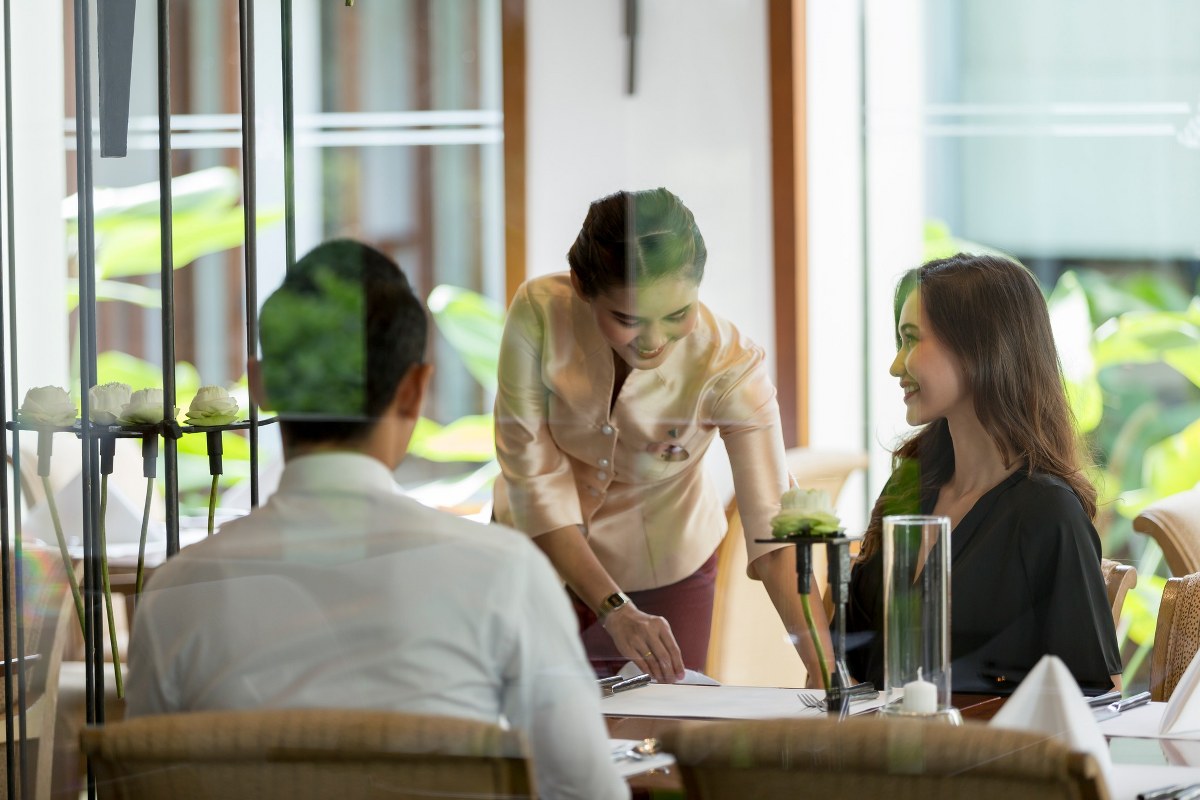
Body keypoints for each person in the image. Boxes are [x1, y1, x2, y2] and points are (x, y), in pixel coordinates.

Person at [125, 240, 628, 800]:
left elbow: (148, 785)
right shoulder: (505, 575)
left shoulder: (176, 593)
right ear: (414, 389)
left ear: (261, 384)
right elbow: (588, 790)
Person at [493, 188, 830, 685]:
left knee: (665, 730)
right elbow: (532, 478)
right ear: (584, 286)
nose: (652, 342)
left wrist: (822, 665)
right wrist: (613, 607)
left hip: (665, 569)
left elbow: (774, 528)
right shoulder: (540, 313)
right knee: (529, 726)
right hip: (535, 551)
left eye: (677, 315)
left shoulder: (731, 367)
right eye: (627, 320)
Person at [844, 252, 1122, 694]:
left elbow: (1093, 698)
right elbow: (854, 659)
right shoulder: (909, 485)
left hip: (992, 759)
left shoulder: (1046, 514)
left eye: (911, 340)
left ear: (979, 347)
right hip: (884, 753)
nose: (897, 365)